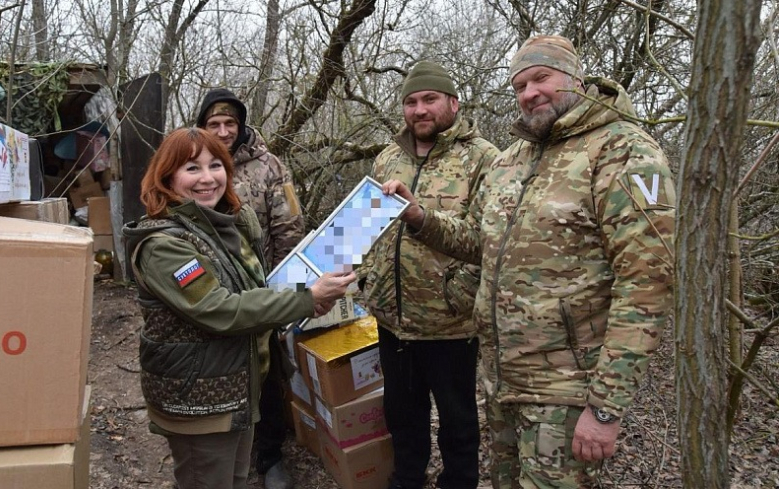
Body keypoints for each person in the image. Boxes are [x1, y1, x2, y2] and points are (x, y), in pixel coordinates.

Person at [383, 35, 676, 487]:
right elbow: (479, 242)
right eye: (519, 85)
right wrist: (420, 216)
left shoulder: (622, 150)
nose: (529, 93)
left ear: (576, 77)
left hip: (566, 389)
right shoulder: (514, 158)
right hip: (502, 382)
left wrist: (605, 406)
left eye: (541, 78)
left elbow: (647, 283)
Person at [123, 128, 355, 489]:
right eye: (192, 168)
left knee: (232, 480)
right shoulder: (164, 245)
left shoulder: (222, 226)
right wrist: (305, 297)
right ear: (167, 176)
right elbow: (220, 309)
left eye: (215, 165)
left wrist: (308, 296)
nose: (207, 178)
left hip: (236, 388)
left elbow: (257, 292)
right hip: (200, 399)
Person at [357, 61, 500, 489]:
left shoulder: (484, 159)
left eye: (430, 99)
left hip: (449, 321)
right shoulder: (387, 158)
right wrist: (362, 274)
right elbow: (365, 229)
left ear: (453, 103)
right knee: (401, 415)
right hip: (391, 319)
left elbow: (483, 241)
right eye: (411, 101)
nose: (420, 110)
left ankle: (458, 481)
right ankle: (407, 479)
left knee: (457, 420)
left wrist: (420, 216)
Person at [195, 88, 304, 489]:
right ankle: (226, 447)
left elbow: (289, 228)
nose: (223, 131)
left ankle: (271, 454)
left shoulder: (269, 166)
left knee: (269, 371)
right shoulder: (192, 164)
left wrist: (284, 291)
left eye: (230, 124)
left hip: (265, 289)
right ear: (202, 126)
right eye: (214, 124)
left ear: (241, 126)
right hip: (212, 290)